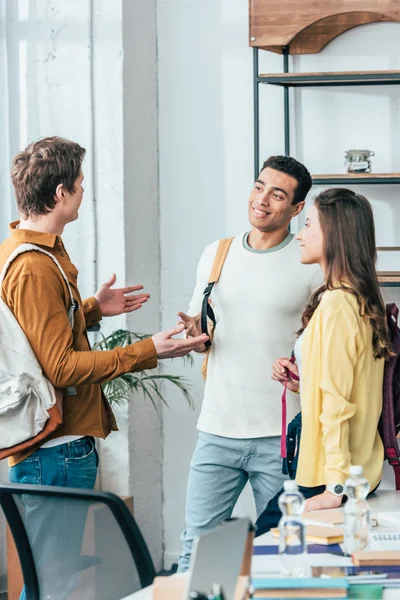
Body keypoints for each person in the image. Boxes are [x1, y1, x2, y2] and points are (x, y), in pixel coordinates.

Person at [1, 136, 207, 598]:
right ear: (60, 193)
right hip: (55, 450)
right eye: (78, 184)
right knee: (54, 586)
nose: (81, 192)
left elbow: (39, 336)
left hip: (57, 449)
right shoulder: (34, 266)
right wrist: (148, 349)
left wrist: (92, 309)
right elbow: (61, 366)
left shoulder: (37, 250)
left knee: (51, 582)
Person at [177, 155, 322, 571]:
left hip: (283, 439)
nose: (262, 200)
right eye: (259, 187)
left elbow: (326, 347)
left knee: (284, 554)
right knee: (196, 553)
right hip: (217, 430)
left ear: (296, 210)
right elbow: (204, 335)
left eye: (278, 195)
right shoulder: (216, 254)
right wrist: (194, 335)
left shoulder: (308, 262)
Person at [256, 188, 391, 535]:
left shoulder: (336, 306)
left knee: (257, 550)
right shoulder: (359, 299)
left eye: (308, 224)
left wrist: (335, 487)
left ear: (334, 232)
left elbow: (337, 404)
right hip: (352, 471)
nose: (299, 234)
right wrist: (304, 383)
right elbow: (350, 386)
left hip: (330, 476)